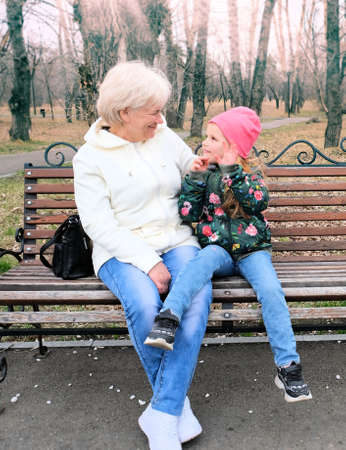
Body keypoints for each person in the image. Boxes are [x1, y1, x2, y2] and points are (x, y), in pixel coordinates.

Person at [72, 61, 212, 450]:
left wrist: (200, 166)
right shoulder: (90, 158)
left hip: (177, 240)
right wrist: (147, 261)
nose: (160, 117)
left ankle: (162, 413)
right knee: (147, 308)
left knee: (194, 301)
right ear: (124, 113)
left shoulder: (163, 135)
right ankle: (175, 406)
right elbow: (99, 225)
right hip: (123, 251)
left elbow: (189, 165)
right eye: (153, 110)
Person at [145, 106, 312, 403]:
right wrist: (194, 179)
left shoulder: (249, 176)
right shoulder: (204, 175)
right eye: (206, 137)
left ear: (234, 147)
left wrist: (233, 172)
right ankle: (168, 318)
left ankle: (288, 366)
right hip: (218, 249)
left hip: (252, 252)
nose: (204, 143)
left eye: (213, 138)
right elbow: (187, 213)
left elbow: (257, 202)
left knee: (271, 290)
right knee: (199, 263)